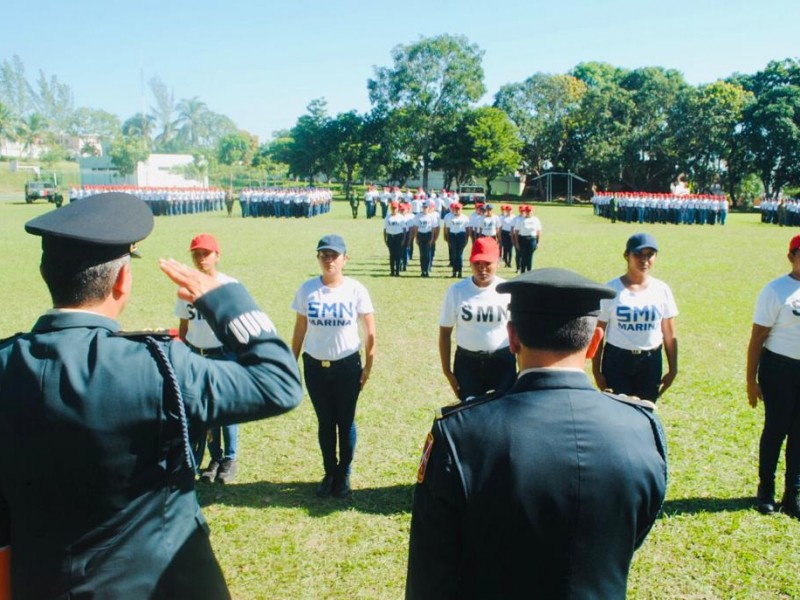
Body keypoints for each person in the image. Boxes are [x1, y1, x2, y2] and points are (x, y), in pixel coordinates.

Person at [0, 192, 303, 599]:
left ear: (45, 270)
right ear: (122, 280)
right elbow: (277, 382)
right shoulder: (157, 367)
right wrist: (225, 297)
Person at [407, 268, 668, 599]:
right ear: (593, 344)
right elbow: (631, 534)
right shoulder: (641, 429)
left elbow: (430, 575)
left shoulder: (460, 435)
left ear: (512, 337)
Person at [291, 235, 376, 498]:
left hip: (347, 366)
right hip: (315, 366)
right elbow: (300, 328)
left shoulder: (356, 289)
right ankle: (329, 472)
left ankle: (344, 474)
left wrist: (368, 367)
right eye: (323, 255)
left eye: (334, 256)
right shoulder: (307, 289)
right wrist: (290, 362)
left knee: (345, 420)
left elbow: (371, 330)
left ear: (344, 259)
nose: (329, 260)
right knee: (325, 422)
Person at [175, 233, 243, 484]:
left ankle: (230, 459)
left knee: (226, 409)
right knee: (207, 410)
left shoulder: (228, 285)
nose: (201, 258)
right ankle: (214, 458)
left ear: (217, 255)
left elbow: (239, 324)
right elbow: (184, 324)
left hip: (224, 354)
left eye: (206, 253)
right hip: (197, 353)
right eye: (196, 254)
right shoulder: (186, 287)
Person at [746, 234, 800, 518]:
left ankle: (794, 493)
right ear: (791, 256)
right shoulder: (776, 290)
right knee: (776, 430)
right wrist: (750, 380)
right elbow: (757, 338)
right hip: (779, 369)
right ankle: (766, 489)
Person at [592, 233, 678, 402]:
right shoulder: (611, 289)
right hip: (617, 359)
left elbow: (669, 333)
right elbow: (598, 332)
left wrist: (673, 368)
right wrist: (596, 371)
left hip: (650, 359)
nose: (644, 260)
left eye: (649, 255)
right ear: (627, 255)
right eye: (638, 254)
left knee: (646, 410)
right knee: (617, 411)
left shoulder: (661, 289)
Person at [438, 237, 515, 401]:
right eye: (477, 263)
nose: (482, 269)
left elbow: (519, 332)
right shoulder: (457, 290)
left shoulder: (508, 290)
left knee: (501, 413)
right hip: (467, 363)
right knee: (470, 411)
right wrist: (447, 370)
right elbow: (445, 332)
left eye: (488, 263)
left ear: (498, 263)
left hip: (502, 362)